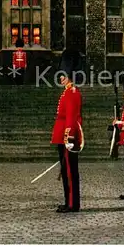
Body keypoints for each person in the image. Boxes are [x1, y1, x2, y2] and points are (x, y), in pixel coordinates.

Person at [51, 72, 83, 213]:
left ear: (69, 77)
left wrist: (69, 137)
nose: (60, 78)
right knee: (66, 171)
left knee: (70, 171)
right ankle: (69, 201)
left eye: (63, 76)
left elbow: (71, 116)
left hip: (67, 136)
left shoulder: (72, 92)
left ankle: (71, 203)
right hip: (62, 134)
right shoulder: (67, 92)